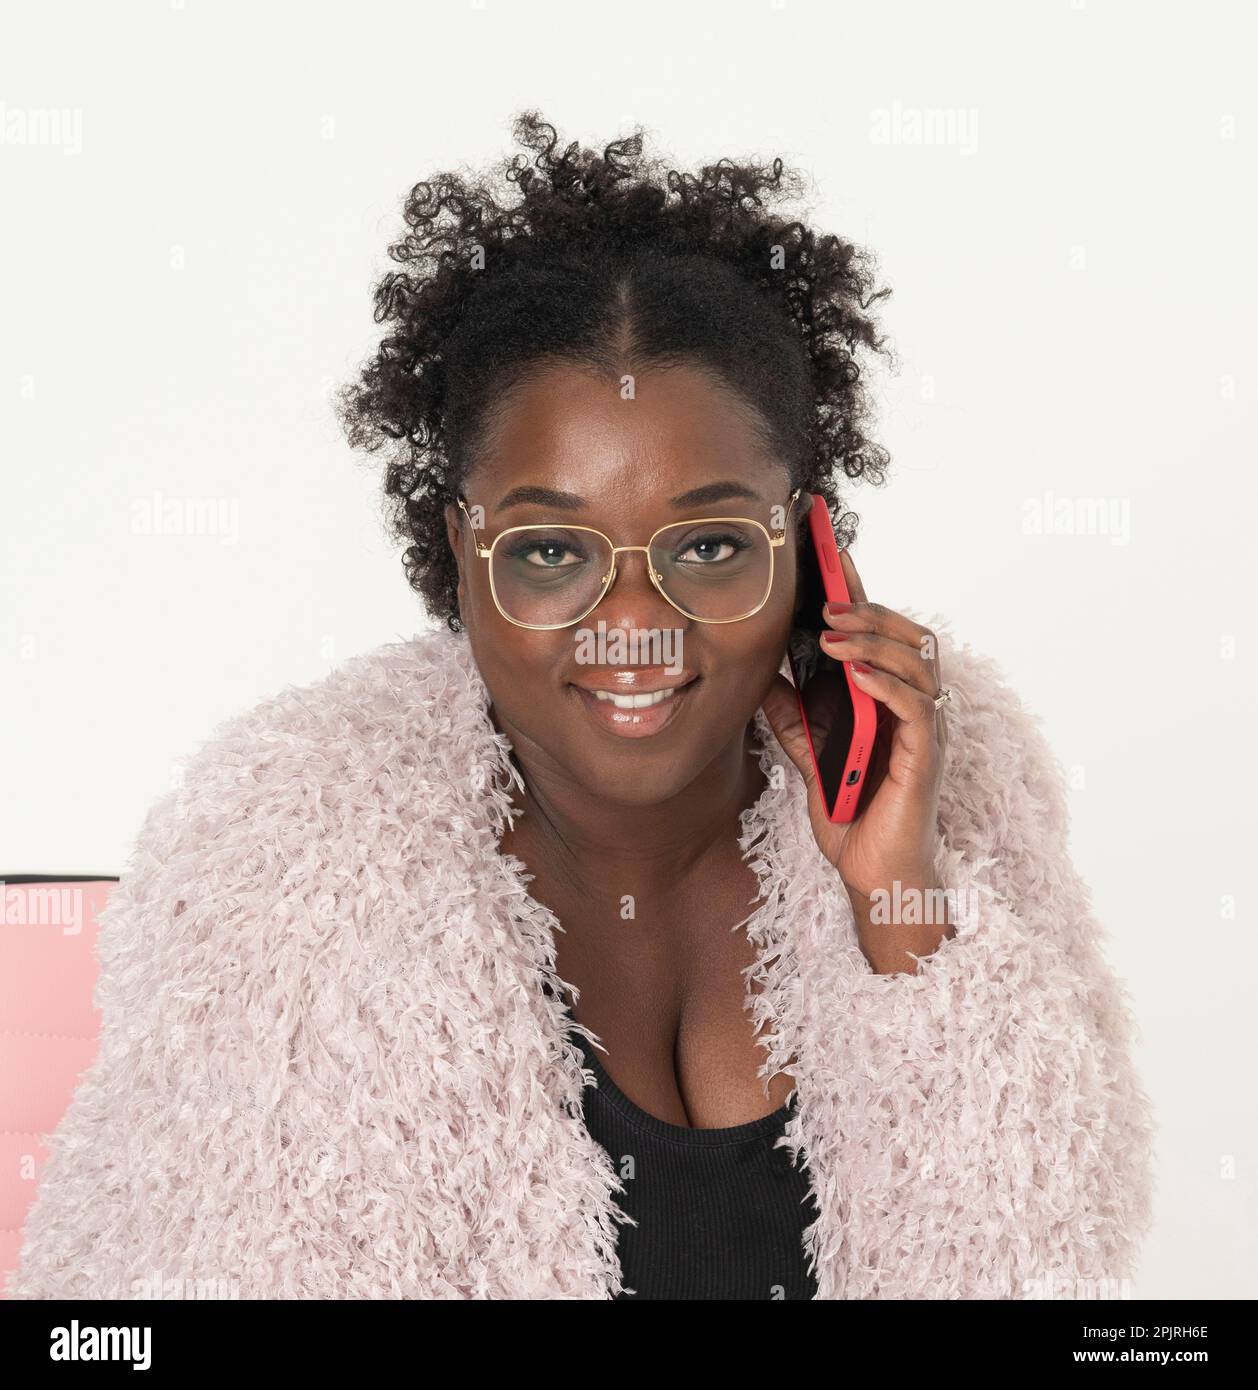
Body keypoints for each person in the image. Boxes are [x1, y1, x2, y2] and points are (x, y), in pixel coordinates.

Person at [8, 113, 1156, 1301]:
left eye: (708, 541)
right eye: (552, 550)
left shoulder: (948, 779)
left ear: (812, 544)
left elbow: (1042, 1264)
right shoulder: (294, 874)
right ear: (461, 549)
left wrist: (898, 911)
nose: (634, 619)